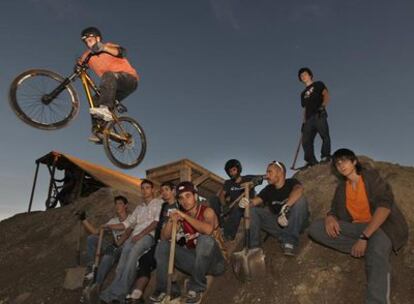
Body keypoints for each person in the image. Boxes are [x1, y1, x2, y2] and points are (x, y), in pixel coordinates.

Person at [308, 148, 408, 304]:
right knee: (316, 228)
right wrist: (329, 218)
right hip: (357, 228)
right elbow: (334, 210)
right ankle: (369, 248)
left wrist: (364, 237)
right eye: (338, 163)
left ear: (354, 162)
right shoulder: (341, 189)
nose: (341, 165)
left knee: (376, 253)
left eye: (345, 161)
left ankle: (376, 299)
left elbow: (385, 206)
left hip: (382, 226)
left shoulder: (371, 178)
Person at [150, 181, 226, 304]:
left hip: (216, 263)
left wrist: (184, 217)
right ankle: (166, 289)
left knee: (204, 239)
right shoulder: (181, 216)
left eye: (188, 196)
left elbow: (208, 230)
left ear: (195, 196)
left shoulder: (207, 211)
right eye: (181, 198)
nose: (184, 201)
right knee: (162, 245)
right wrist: (171, 221)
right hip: (195, 264)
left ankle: (196, 288)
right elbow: (164, 237)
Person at [100, 179, 163, 304]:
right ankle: (109, 293)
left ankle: (119, 294)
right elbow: (128, 223)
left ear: (152, 190)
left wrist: (140, 234)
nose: (145, 191)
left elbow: (156, 223)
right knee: (122, 262)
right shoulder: (139, 208)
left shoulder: (158, 203)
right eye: (142, 188)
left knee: (132, 257)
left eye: (147, 188)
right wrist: (109, 226)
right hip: (134, 237)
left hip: (147, 236)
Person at [79, 26, 139, 142]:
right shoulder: (87, 55)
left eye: (90, 40)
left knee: (108, 75)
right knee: (95, 100)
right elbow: (81, 63)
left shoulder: (108, 46)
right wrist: (78, 65)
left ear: (98, 38)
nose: (88, 44)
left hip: (128, 80)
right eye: (86, 42)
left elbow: (121, 52)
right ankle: (101, 131)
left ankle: (106, 108)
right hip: (112, 87)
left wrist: (104, 47)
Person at [125, 182, 182, 303]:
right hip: (161, 241)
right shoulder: (164, 207)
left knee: (161, 257)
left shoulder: (180, 204)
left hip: (176, 241)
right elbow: (159, 225)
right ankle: (137, 294)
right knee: (144, 259)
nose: (164, 192)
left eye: (167, 189)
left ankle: (170, 288)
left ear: (173, 191)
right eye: (162, 191)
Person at [239, 161, 309, 256]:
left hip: (296, 223)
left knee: (300, 200)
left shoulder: (291, 182)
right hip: (279, 224)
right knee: (252, 210)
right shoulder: (268, 189)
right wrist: (246, 203)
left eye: (269, 172)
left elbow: (299, 190)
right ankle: (254, 249)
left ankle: (289, 241)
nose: (266, 175)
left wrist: (286, 207)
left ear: (280, 172)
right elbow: (255, 202)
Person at [79, 196, 132, 303]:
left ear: (126, 206)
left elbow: (124, 229)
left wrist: (108, 227)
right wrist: (83, 220)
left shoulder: (132, 217)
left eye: (120, 203)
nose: (117, 206)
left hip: (125, 248)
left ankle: (96, 285)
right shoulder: (113, 220)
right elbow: (96, 231)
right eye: (116, 204)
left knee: (108, 255)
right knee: (91, 238)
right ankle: (92, 267)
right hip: (114, 246)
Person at [210, 159, 261, 241]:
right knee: (213, 199)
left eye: (234, 170)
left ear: (238, 169)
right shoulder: (228, 183)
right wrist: (224, 206)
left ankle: (228, 234)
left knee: (239, 205)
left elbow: (265, 176)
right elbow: (222, 195)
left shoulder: (248, 178)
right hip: (231, 206)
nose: (232, 173)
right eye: (230, 171)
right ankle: (220, 223)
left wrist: (259, 179)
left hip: (246, 206)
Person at [298, 67, 331, 167]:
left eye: (305, 74)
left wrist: (323, 106)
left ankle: (325, 156)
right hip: (308, 118)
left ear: (310, 75)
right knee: (306, 140)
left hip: (319, 114)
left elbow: (326, 95)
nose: (303, 76)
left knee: (324, 135)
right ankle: (311, 161)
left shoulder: (318, 84)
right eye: (301, 76)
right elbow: (305, 108)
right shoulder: (303, 94)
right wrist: (304, 122)